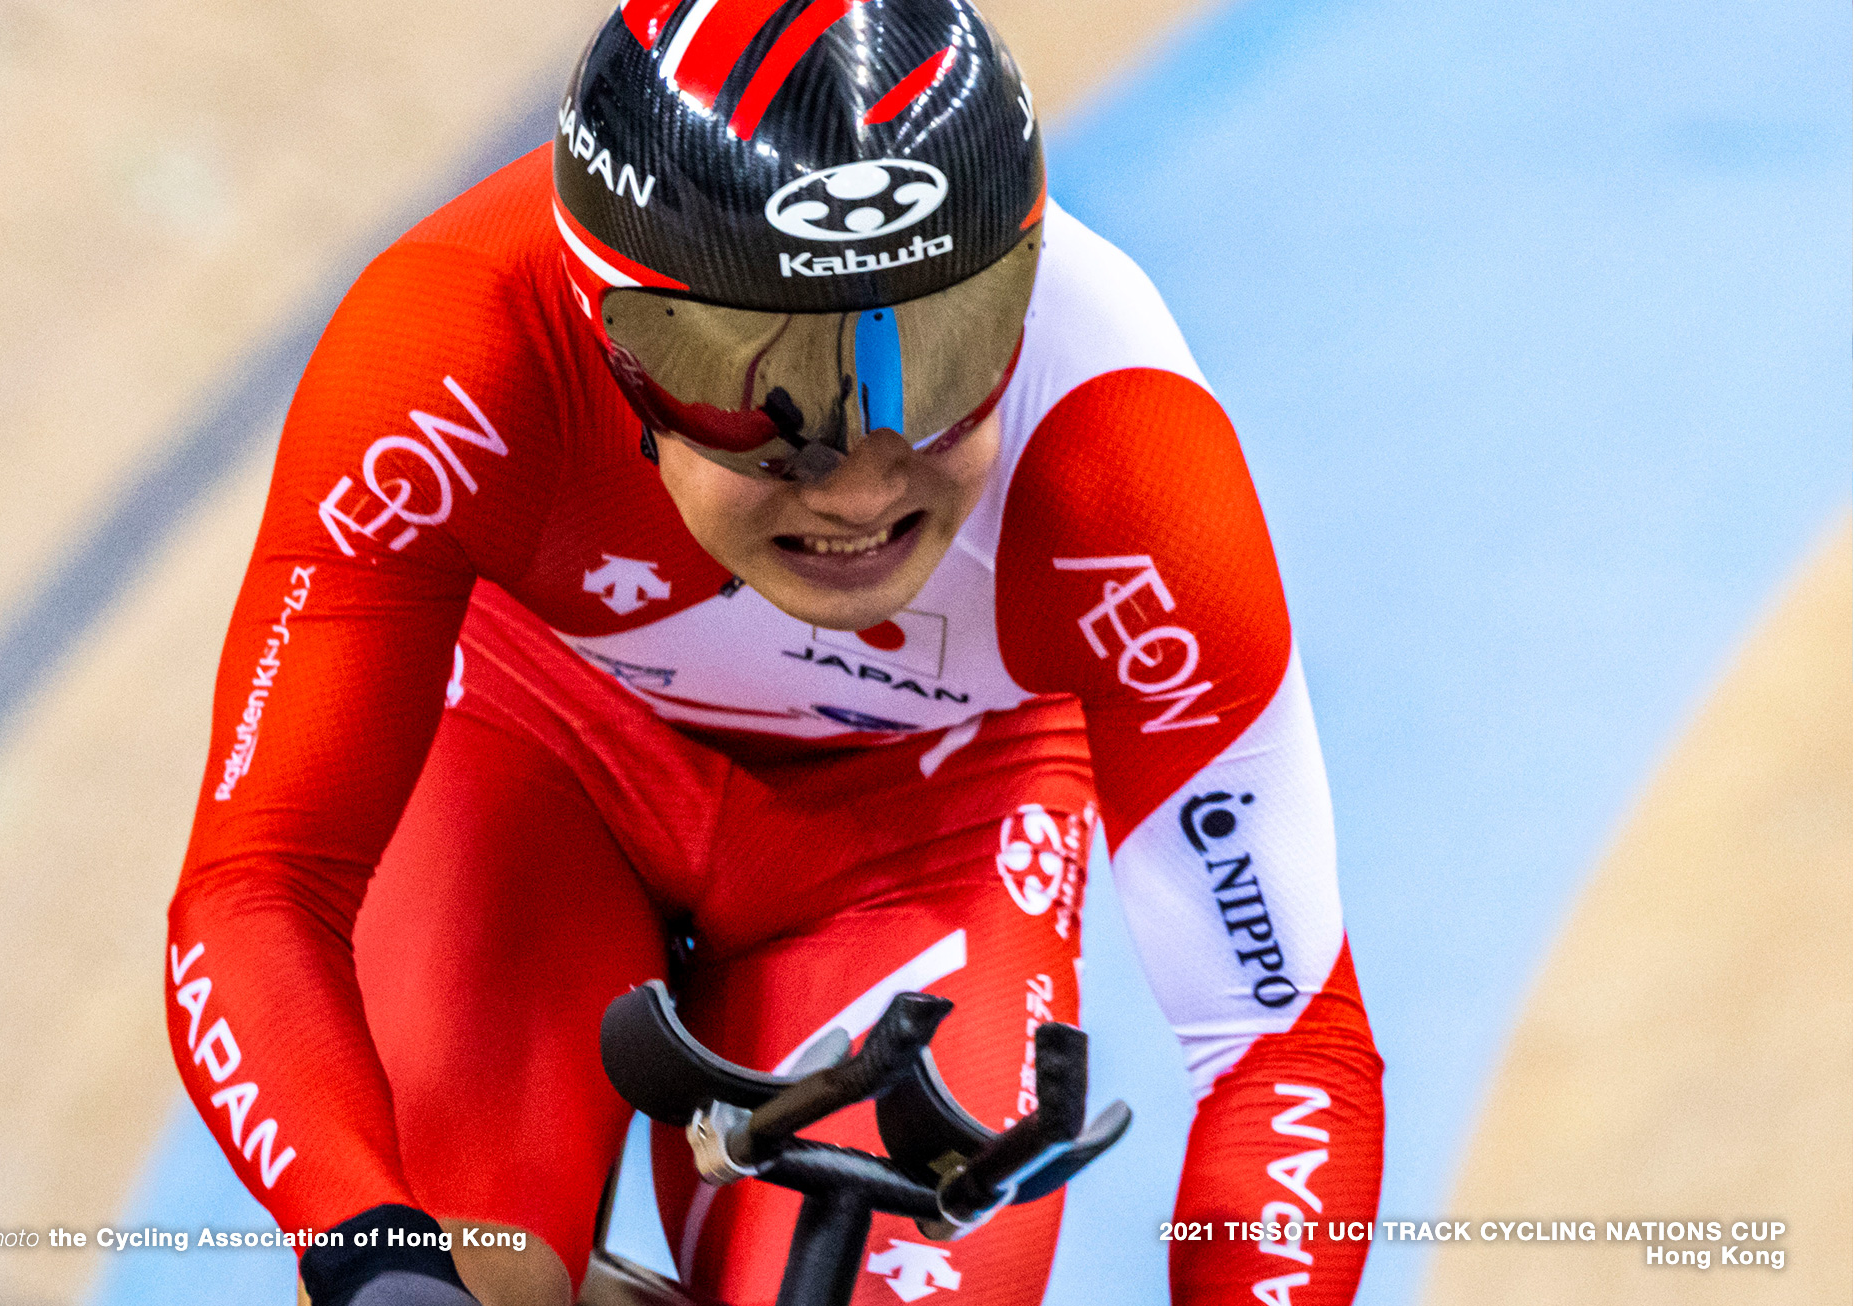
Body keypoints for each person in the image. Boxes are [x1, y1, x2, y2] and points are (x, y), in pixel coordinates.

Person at [165, 2, 1384, 1304]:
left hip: (932, 823)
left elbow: (1283, 1041)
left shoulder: (1124, 445)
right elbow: (257, 890)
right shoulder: (455, 339)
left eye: (939, 355)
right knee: (462, 1268)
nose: (860, 484)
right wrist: (364, 1247)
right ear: (611, 339)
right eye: (758, 385)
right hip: (540, 751)